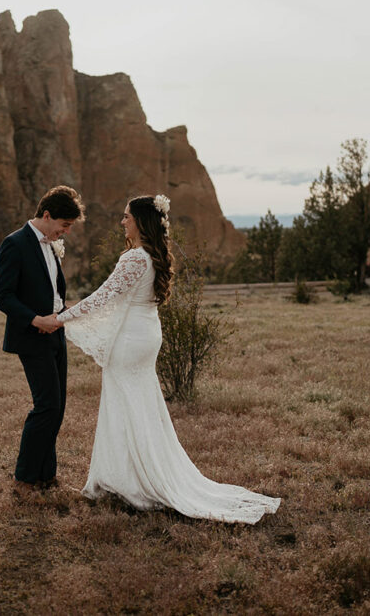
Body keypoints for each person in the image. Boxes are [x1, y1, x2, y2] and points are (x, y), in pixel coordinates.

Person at [56, 195, 281, 523]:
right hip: (146, 334)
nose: (122, 222)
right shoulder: (152, 256)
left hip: (131, 340)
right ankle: (125, 475)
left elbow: (104, 296)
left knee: (125, 404)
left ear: (141, 222)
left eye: (127, 217)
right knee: (140, 403)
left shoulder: (134, 258)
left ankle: (132, 481)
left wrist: (61, 318)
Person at [0, 186, 85, 501]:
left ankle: (47, 476)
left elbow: (53, 290)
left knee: (57, 408)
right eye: (65, 224)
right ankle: (24, 479)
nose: (66, 231)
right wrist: (36, 319)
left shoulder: (51, 245)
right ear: (47, 215)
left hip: (57, 332)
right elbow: (1, 295)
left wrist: (62, 314)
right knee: (45, 406)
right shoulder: (14, 244)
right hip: (32, 336)